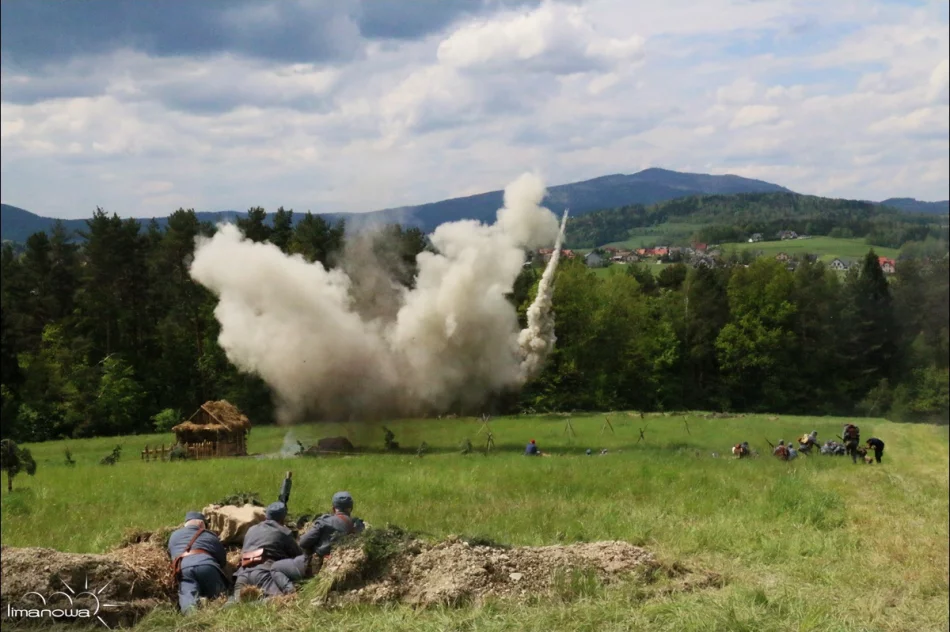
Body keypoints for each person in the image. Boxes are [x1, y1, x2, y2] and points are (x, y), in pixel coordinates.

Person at [231, 502, 306, 599]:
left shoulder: (251, 529)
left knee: (236, 602)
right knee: (279, 599)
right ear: (283, 518)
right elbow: (298, 556)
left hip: (243, 574)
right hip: (264, 573)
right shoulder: (284, 532)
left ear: (266, 516)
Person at [168, 511, 228, 613]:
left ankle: (193, 621)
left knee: (188, 598)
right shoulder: (209, 535)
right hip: (207, 565)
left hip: (184, 568)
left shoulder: (174, 535)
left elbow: (171, 554)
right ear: (201, 524)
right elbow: (222, 558)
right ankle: (220, 617)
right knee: (221, 597)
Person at [299, 491, 365, 561]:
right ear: (351, 508)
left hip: (321, 564)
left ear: (333, 509)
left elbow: (303, 543)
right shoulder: (358, 526)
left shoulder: (324, 522)